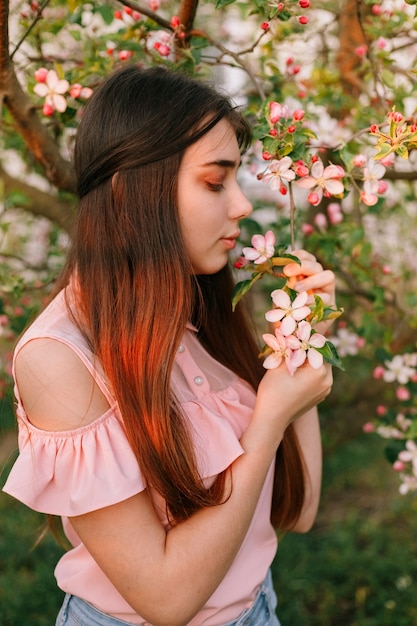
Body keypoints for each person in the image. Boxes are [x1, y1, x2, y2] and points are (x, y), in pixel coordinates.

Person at [3, 64, 335, 626]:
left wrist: (298, 346)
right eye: (214, 182)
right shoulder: (59, 359)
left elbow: (297, 511)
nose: (242, 206)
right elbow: (165, 600)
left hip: (259, 609)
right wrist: (270, 416)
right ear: (131, 190)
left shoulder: (196, 307)